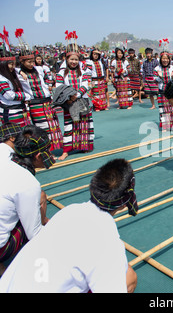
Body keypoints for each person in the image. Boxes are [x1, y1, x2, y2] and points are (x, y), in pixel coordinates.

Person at [0, 158, 138, 293]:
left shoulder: (69, 211)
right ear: (124, 203)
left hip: (7, 287)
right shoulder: (109, 243)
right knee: (129, 277)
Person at [0, 125, 54, 276]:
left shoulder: (4, 158)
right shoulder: (28, 183)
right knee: (39, 203)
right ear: (37, 157)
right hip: (1, 248)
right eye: (47, 152)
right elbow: (34, 233)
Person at [55, 44, 94, 160]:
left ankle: (84, 145)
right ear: (66, 59)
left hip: (82, 99)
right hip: (69, 102)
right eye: (71, 59)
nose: (74, 62)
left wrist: (77, 95)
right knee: (69, 125)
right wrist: (70, 96)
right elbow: (59, 87)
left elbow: (86, 84)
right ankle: (66, 150)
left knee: (84, 123)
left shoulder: (83, 70)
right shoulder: (61, 72)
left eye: (76, 59)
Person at [18, 53, 63, 151]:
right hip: (35, 104)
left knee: (53, 125)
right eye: (28, 62)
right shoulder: (19, 73)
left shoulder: (39, 69)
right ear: (22, 62)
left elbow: (48, 76)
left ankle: (53, 147)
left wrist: (47, 86)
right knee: (42, 127)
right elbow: (10, 71)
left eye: (32, 62)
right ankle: (45, 149)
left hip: (46, 101)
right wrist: (20, 72)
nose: (31, 64)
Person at [0, 53, 32, 127]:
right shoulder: (1, 79)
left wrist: (20, 71)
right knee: (14, 136)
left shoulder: (11, 75)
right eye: (11, 64)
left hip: (18, 110)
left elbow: (17, 70)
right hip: (10, 112)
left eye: (14, 64)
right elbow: (9, 95)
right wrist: (26, 96)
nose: (13, 67)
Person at [153, 52, 173, 131]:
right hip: (162, 91)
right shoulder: (157, 68)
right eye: (163, 58)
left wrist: (170, 76)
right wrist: (160, 77)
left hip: (172, 91)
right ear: (160, 59)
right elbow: (154, 79)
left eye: (167, 58)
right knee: (163, 109)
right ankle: (165, 126)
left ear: (169, 59)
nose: (165, 60)